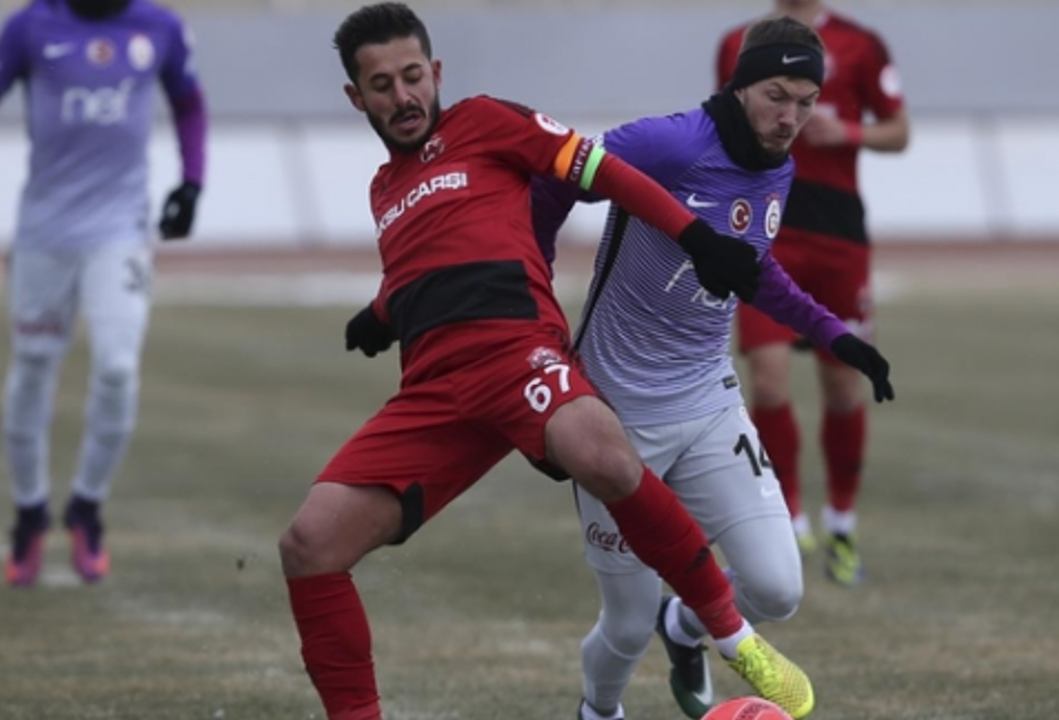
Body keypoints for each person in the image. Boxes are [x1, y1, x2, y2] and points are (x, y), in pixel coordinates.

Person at [277, 5, 813, 719]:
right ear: (357, 97)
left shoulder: (486, 121)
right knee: (309, 544)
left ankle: (732, 635)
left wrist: (695, 236)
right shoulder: (385, 191)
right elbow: (433, 262)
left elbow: (607, 172)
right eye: (382, 85)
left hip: (517, 352)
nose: (403, 96)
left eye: (412, 76)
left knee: (604, 454)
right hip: (434, 390)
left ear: (435, 73)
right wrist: (380, 314)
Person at [531, 17, 894, 720]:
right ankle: (598, 711)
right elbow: (552, 182)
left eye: (805, 102)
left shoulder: (779, 164)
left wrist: (835, 336)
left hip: (706, 404)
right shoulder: (667, 145)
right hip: (613, 421)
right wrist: (533, 288)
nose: (790, 117)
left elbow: (752, 268)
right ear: (741, 84)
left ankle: (684, 624)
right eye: (776, 96)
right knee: (625, 626)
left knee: (778, 589)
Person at [0, 0, 207, 587]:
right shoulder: (28, 26)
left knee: (116, 367)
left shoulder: (160, 27)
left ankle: (86, 508)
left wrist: (192, 182)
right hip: (44, 235)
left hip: (120, 232)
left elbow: (189, 103)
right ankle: (30, 513)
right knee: (33, 365)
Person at [718, 0, 910, 586]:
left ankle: (842, 523)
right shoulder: (739, 42)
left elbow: (899, 131)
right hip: (766, 229)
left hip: (837, 235)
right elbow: (721, 126)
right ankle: (790, 517)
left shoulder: (860, 43)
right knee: (768, 382)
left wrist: (846, 131)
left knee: (843, 386)